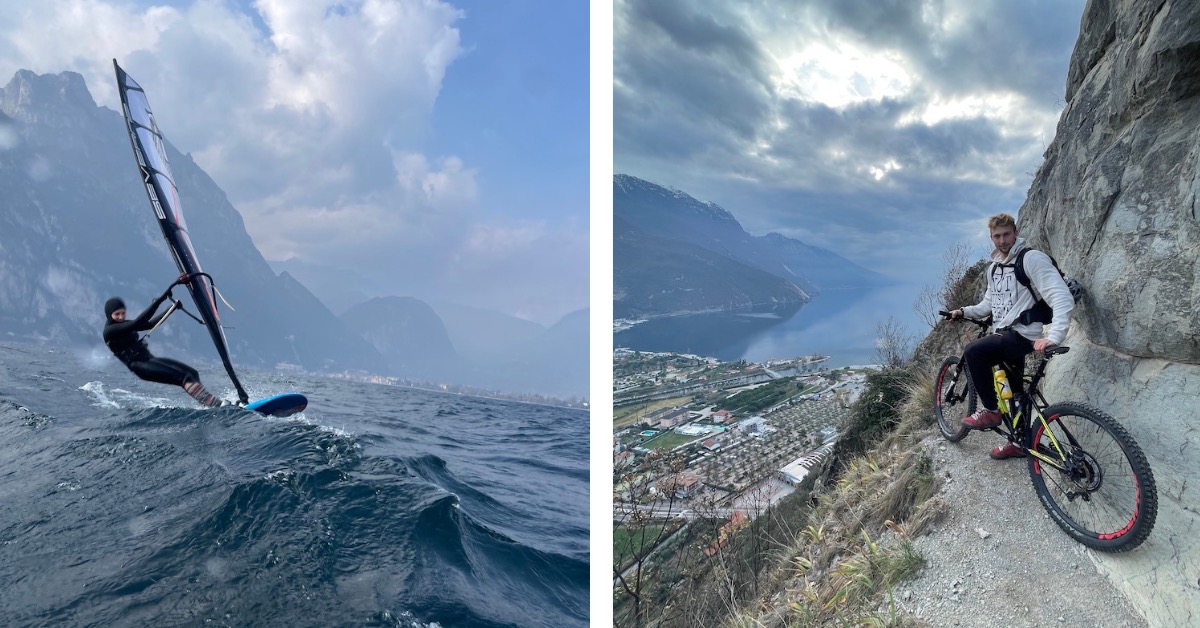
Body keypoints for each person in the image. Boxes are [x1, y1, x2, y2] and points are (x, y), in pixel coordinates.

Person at [947, 213, 1074, 459]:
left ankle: (991, 410)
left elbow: (1061, 295)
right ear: (991, 237)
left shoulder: (1031, 259)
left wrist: (1055, 335)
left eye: (1007, 234)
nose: (1003, 240)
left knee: (974, 351)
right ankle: (1019, 442)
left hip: (1023, 335)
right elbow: (988, 305)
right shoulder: (994, 268)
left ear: (1015, 232)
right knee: (1016, 395)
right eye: (997, 236)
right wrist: (962, 311)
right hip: (1005, 336)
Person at [102, 288, 227, 408]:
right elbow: (137, 323)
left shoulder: (123, 324)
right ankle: (214, 404)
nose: (121, 317)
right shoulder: (110, 331)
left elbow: (150, 324)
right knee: (183, 377)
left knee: (193, 373)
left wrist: (170, 309)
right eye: (116, 314)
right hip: (139, 366)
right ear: (109, 315)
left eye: (123, 313)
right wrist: (160, 300)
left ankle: (207, 402)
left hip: (149, 359)